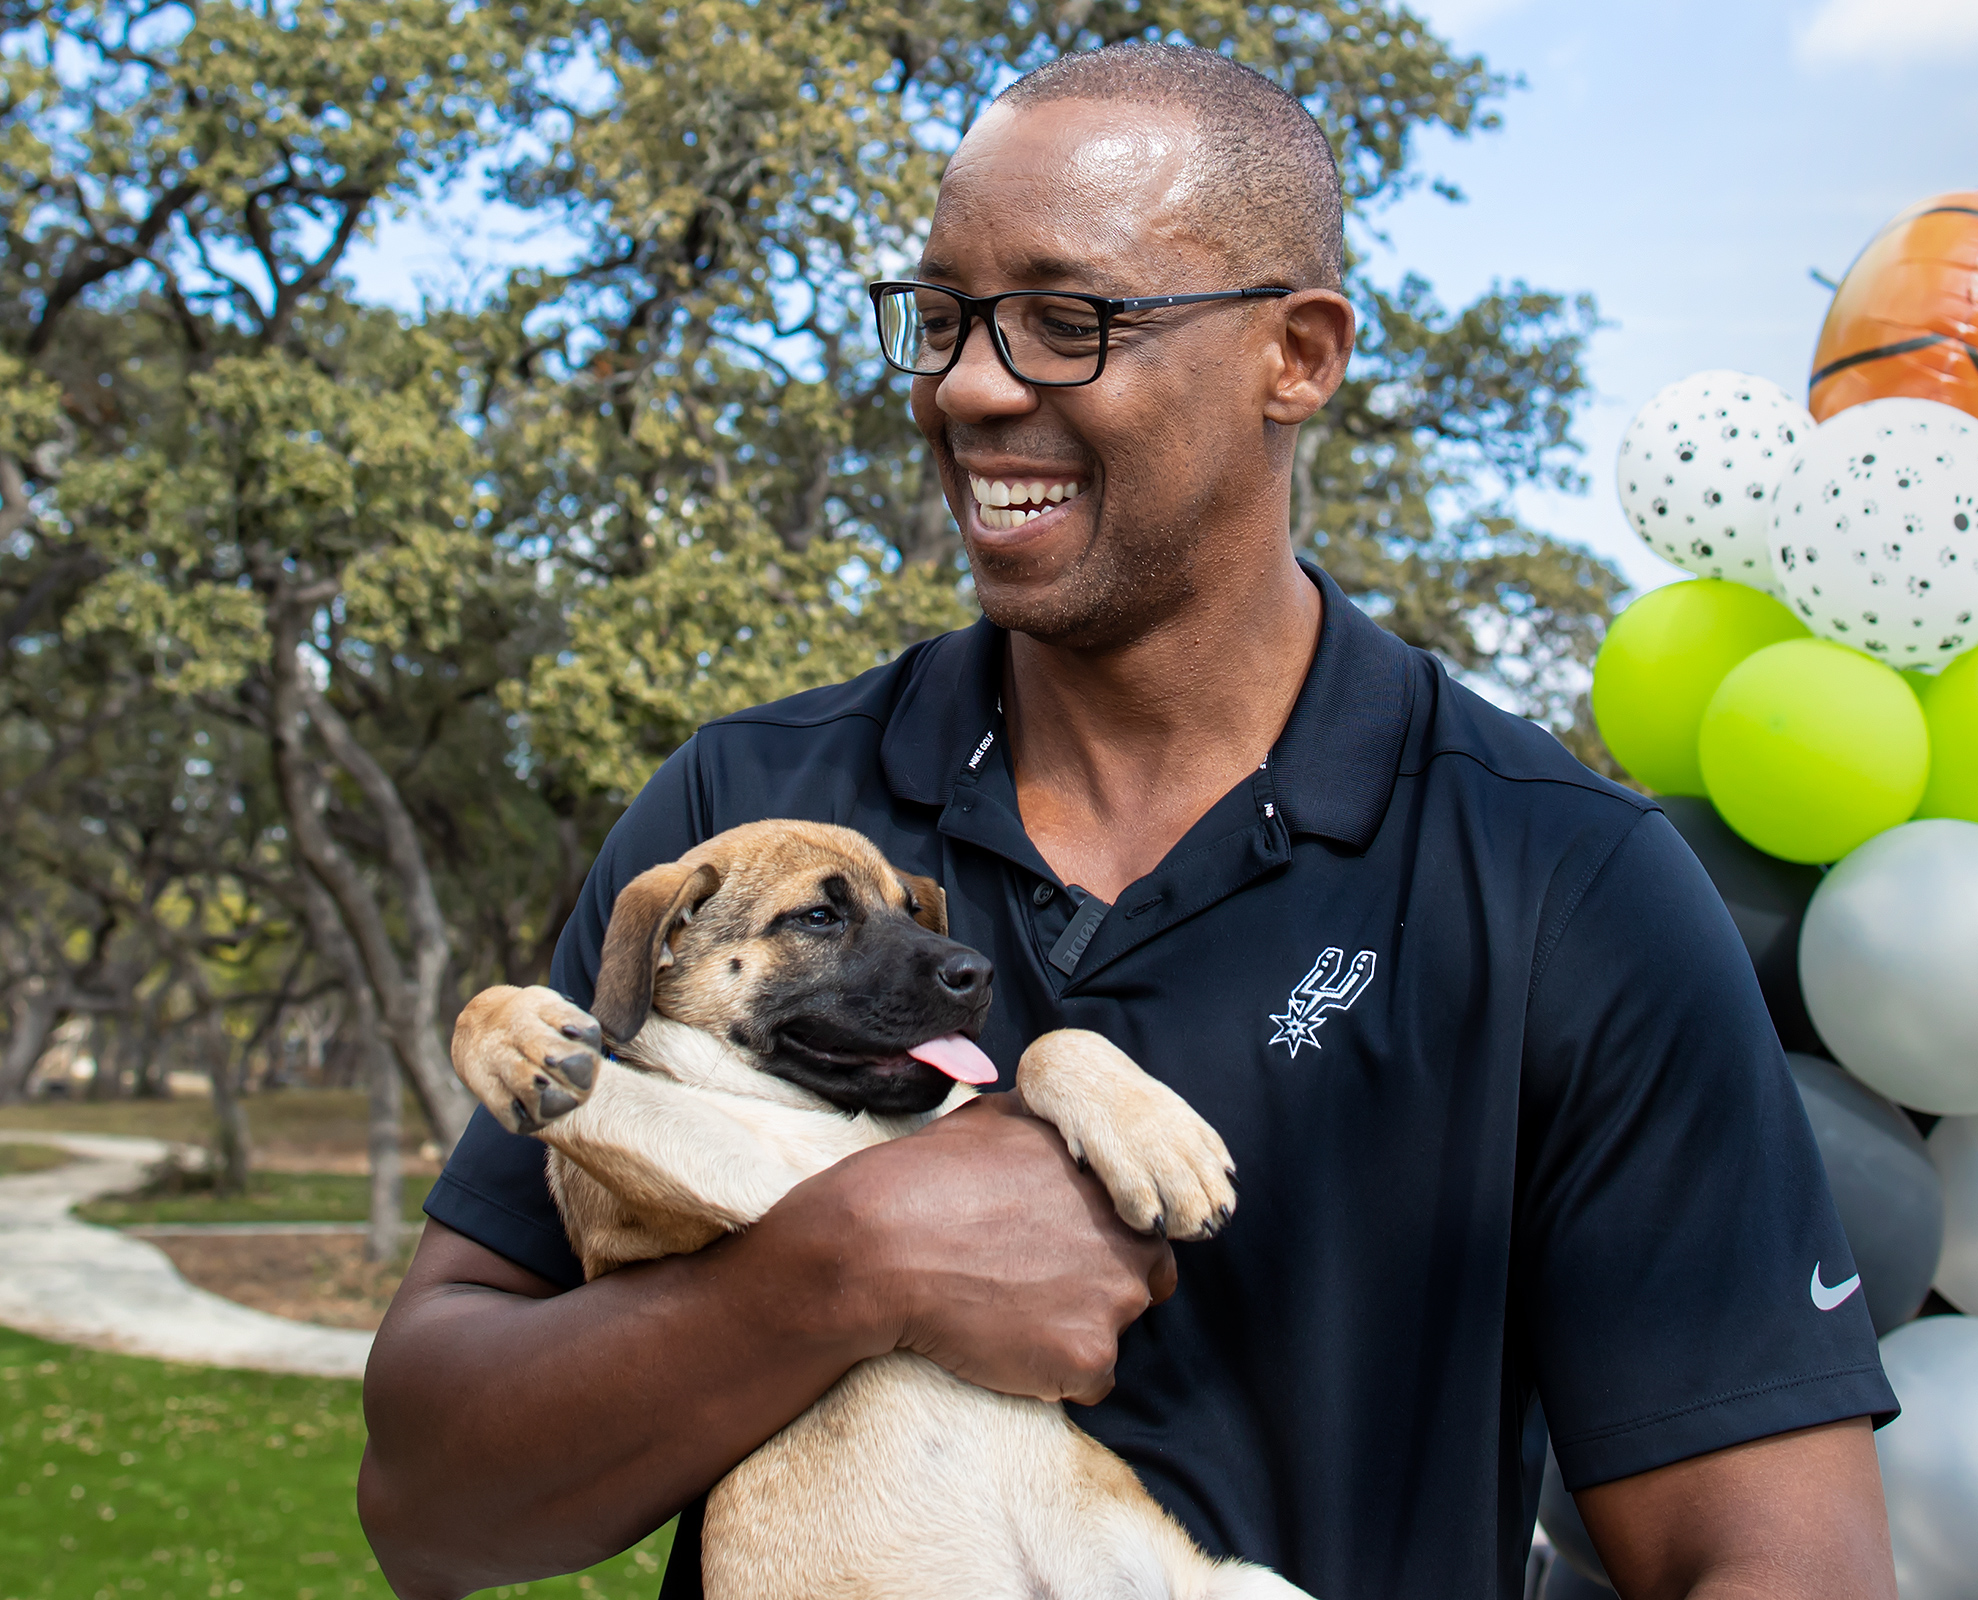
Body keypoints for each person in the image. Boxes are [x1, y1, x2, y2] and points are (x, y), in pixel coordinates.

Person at [359, 43, 1899, 1600]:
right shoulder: (746, 818)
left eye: (1066, 320)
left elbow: (1782, 1560)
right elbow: (430, 1506)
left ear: (1296, 354)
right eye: (942, 317)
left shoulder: (1565, 880)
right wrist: (849, 1267)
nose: (968, 385)